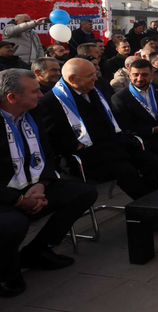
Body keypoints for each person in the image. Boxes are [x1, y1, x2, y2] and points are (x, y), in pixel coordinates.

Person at [0, 69, 98, 298]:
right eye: (34, 91)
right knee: (13, 224)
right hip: (4, 195)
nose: (41, 95)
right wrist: (18, 200)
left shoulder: (33, 112)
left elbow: (46, 154)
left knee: (82, 193)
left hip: (32, 184)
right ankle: (6, 271)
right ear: (12, 98)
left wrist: (42, 183)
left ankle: (37, 251)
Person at [38, 58, 158, 199]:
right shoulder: (50, 102)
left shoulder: (95, 91)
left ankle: (154, 202)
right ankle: (148, 207)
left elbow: (111, 120)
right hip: (83, 155)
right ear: (72, 79)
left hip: (111, 145)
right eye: (90, 76)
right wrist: (77, 144)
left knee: (150, 160)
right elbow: (51, 139)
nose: (95, 78)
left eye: (95, 74)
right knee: (125, 170)